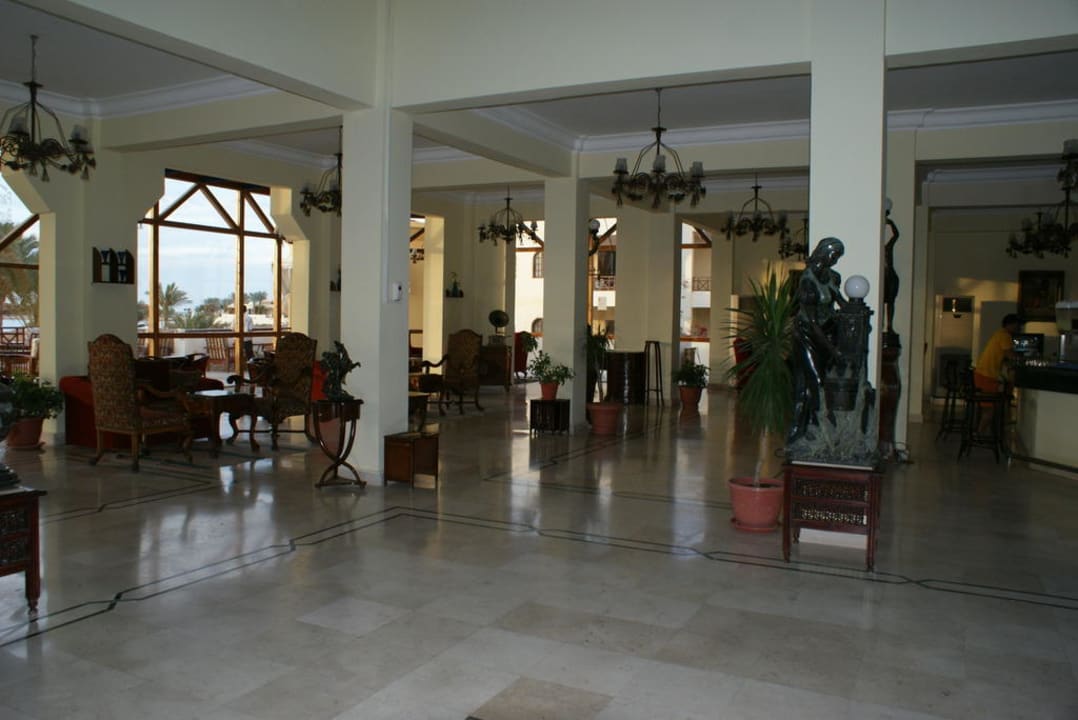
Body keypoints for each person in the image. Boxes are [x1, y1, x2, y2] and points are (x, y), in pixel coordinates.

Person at [788, 237, 846, 443]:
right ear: (823, 252)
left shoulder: (832, 277)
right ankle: (812, 426)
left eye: (838, 256)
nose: (836, 260)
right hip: (806, 335)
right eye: (834, 255)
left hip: (824, 334)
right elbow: (812, 322)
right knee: (815, 381)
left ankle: (809, 427)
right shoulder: (807, 282)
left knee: (816, 382)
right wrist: (833, 350)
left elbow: (841, 303)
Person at [975, 313, 1021, 394]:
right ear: (1011, 324)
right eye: (1017, 325)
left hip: (981, 373)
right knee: (1007, 388)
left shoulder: (998, 333)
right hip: (988, 375)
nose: (1018, 328)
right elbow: (1010, 355)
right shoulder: (1005, 336)